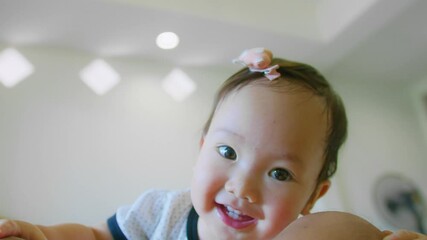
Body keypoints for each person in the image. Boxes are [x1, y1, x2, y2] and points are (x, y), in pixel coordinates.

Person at [0, 48, 425, 240]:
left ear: (313, 196)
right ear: (202, 147)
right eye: (228, 152)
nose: (242, 188)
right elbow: (95, 237)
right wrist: (45, 234)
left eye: (279, 173)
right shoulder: (160, 214)